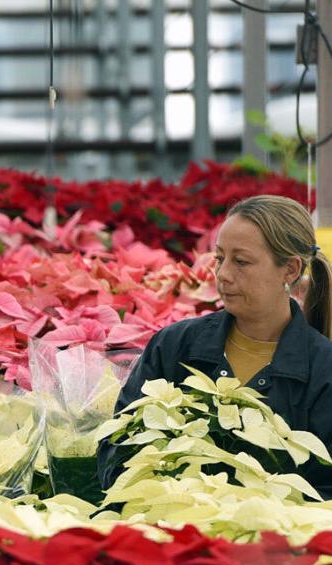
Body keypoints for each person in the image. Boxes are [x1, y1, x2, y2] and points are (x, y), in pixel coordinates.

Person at [97, 194, 332, 495]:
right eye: (220, 258)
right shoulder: (173, 346)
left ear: (289, 270)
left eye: (241, 262)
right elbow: (116, 449)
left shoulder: (323, 369)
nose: (222, 275)